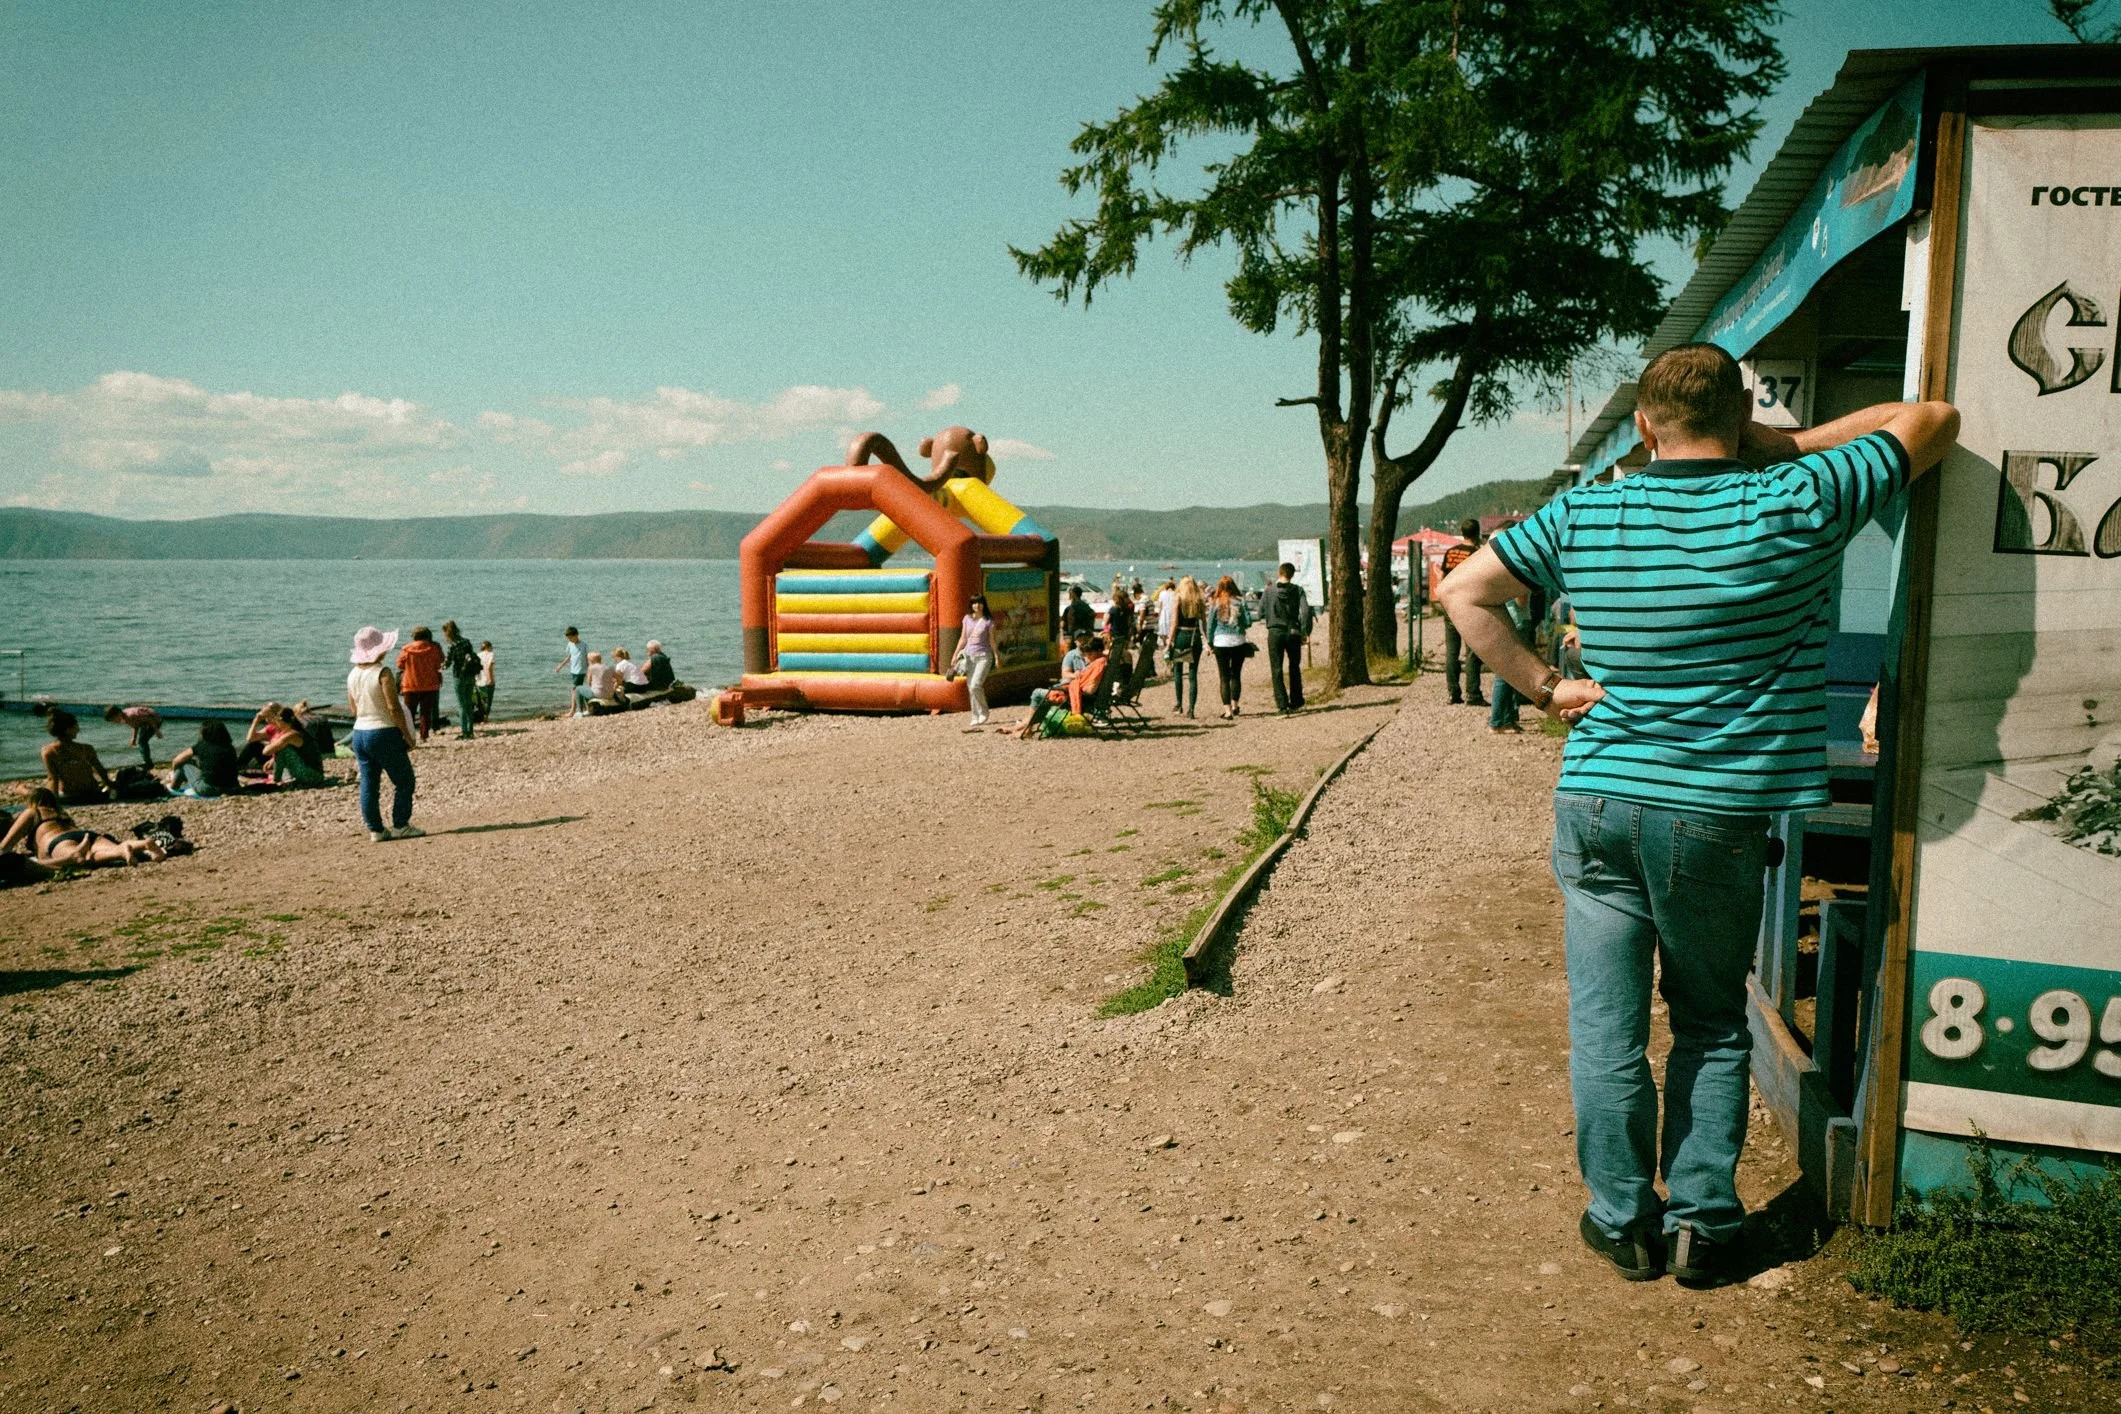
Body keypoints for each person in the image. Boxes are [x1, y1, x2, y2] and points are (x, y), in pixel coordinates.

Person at [1440, 341, 1961, 1287]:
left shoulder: (1588, 509)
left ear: (1642, 424)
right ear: (1740, 417)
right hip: (1713, 810)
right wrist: (1780, 440)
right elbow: (1928, 419)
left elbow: (1463, 591)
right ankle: (1702, 1224)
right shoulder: (1795, 496)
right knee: (1712, 1021)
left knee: (1605, 1028)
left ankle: (1620, 1218)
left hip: (1594, 797)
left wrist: (1546, 687)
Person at [347, 626, 422, 843]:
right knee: (404, 780)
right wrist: (407, 734)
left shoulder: (353, 674)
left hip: (359, 733)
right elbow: (393, 707)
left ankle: (376, 830)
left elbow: (353, 709)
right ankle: (400, 825)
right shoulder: (383, 672)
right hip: (382, 732)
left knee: (369, 783)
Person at [2, 787, 163, 868]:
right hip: (85, 834)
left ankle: (122, 852)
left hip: (58, 841)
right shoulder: (61, 813)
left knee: (83, 859)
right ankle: (144, 846)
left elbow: (5, 846)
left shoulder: (32, 812)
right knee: (105, 849)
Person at [1017, 636, 1107, 739]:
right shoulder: (1104, 661)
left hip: (1078, 698)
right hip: (1084, 697)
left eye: (1090, 654)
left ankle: (1027, 728)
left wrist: (1074, 686)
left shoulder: (1098, 664)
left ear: (1099, 651)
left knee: (1037, 693)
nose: (1088, 657)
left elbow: (1090, 690)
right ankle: (1026, 726)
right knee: (1045, 696)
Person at [1441, 519, 1487, 707]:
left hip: (1450, 606)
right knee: (1472, 652)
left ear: (1462, 532)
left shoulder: (1450, 552)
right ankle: (1473, 693)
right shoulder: (1477, 554)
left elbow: (1443, 578)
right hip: (1468, 607)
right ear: (1477, 533)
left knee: (1451, 652)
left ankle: (1453, 692)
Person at [1261, 561, 1311, 713]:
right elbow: (1306, 612)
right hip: (1293, 631)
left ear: (1279, 573)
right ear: (1292, 574)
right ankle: (1296, 700)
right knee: (1294, 667)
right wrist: (1305, 631)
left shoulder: (1269, 591)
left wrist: (1271, 616)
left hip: (1275, 632)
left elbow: (1261, 611)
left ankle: (1282, 704)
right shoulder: (1298, 590)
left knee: (1276, 668)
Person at [41, 709, 115, 804]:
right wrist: (110, 784)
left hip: (68, 795)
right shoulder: (86, 749)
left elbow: (52, 779)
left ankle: (21, 789)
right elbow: (100, 770)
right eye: (76, 727)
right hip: (92, 794)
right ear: (68, 730)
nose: (78, 730)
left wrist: (54, 802)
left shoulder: (48, 751)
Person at [1207, 574, 1252, 719]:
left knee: (1224, 677)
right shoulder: (1240, 601)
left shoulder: (1215, 603)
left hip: (1220, 642)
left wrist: (1209, 641)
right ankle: (1235, 704)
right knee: (1236, 675)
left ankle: (1227, 711)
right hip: (1238, 641)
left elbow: (1210, 625)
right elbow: (1248, 621)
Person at [1488, 597, 1533, 734]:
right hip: (1517, 621)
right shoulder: (1516, 577)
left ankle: (1506, 719)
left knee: (1508, 674)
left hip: (1506, 620)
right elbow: (1522, 599)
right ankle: (1497, 721)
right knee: (1504, 675)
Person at [168, 719, 241, 797]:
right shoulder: (230, 748)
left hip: (209, 790)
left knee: (184, 764)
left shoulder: (202, 746)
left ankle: (173, 788)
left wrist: (173, 772)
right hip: (233, 789)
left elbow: (176, 760)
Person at [396, 626, 444, 742]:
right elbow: (439, 664)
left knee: (409, 713)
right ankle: (424, 736)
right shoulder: (433, 648)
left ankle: (409, 736)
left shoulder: (406, 649)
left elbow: (400, 665)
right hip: (430, 684)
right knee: (425, 712)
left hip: (410, 684)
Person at [1167, 576, 1205, 718]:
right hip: (1194, 636)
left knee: (1178, 671)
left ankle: (1179, 704)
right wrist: (1206, 639)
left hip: (1181, 635)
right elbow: (1204, 622)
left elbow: (1174, 622)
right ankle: (1192, 709)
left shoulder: (1178, 598)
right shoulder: (1198, 600)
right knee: (1193, 674)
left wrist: (1169, 641)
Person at [957, 595, 997, 726]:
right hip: (969, 656)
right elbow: (963, 638)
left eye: (979, 603)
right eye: (974, 603)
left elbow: (992, 640)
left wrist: (997, 656)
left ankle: (984, 712)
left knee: (975, 685)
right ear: (971, 605)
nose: (977, 606)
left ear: (983, 605)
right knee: (971, 687)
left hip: (984, 656)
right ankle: (975, 715)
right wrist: (955, 654)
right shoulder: (967, 619)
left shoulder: (988, 621)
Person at [442, 620, 481, 741]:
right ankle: (471, 730)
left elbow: (447, 663)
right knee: (469, 703)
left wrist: (440, 667)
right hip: (470, 675)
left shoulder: (452, 645)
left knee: (461, 704)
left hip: (459, 675)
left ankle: (464, 731)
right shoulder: (466, 641)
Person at [1125, 580, 1158, 706]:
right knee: (1147, 649)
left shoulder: (1143, 600)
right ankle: (1151, 669)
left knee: (1143, 649)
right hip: (1151, 626)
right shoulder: (1148, 598)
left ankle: (1148, 670)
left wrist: (1139, 626)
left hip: (1145, 626)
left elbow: (1142, 613)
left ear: (1136, 593)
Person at [1103, 576, 1136, 700]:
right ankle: (1122, 683)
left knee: (1114, 660)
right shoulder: (1127, 610)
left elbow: (1105, 623)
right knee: (1124, 659)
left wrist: (1105, 631)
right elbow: (1129, 624)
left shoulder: (1113, 610)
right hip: (1124, 637)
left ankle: (1115, 682)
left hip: (1114, 638)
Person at [103, 704, 163, 769]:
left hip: (154, 720)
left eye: (114, 720)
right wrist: (134, 737)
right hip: (144, 722)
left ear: (118, 713)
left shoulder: (130, 715)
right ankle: (147, 761)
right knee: (141, 741)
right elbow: (135, 724)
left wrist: (157, 731)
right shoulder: (125, 716)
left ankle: (148, 763)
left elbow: (149, 718)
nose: (114, 722)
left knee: (142, 742)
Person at [555, 627, 588, 716]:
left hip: (580, 670)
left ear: (576, 635)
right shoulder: (570, 644)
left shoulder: (583, 645)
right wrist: (560, 666)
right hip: (573, 670)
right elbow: (569, 657)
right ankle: (584, 708)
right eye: (568, 638)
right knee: (579, 689)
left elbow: (586, 657)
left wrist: (589, 669)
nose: (570, 640)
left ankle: (572, 710)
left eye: (571, 638)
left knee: (574, 689)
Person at [475, 641, 497, 722]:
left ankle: (480, 717)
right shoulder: (491, 654)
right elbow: (489, 668)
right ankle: (485, 718)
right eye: (491, 647)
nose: (492, 649)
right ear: (488, 647)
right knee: (489, 700)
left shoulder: (478, 655)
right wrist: (491, 679)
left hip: (479, 680)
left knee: (481, 700)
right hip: (487, 680)